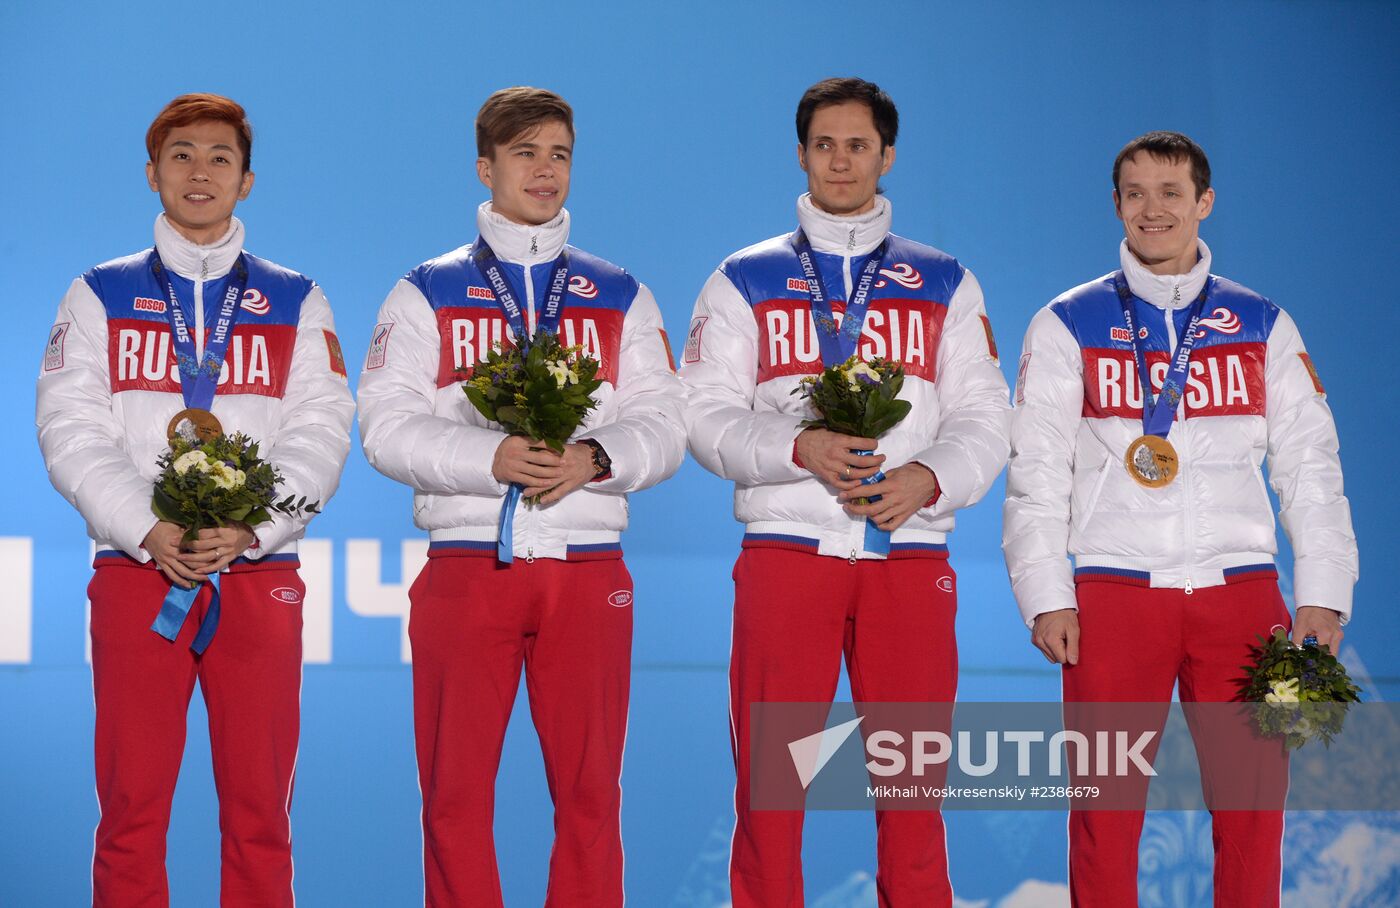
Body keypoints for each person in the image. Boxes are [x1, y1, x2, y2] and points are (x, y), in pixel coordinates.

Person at [1002, 130, 1357, 907]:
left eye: (1170, 192)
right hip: (1112, 596)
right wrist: (1047, 595)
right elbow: (1034, 475)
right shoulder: (1067, 323)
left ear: (1204, 202)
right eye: (1134, 193)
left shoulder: (1263, 323)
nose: (1151, 209)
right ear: (1117, 206)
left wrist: (1324, 592)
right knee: (1104, 818)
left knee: (1254, 812)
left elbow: (1311, 471)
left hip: (1242, 598)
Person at [679, 77, 1010, 908]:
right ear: (800, 154)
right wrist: (798, 447)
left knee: (914, 798)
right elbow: (702, 417)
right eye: (824, 144)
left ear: (887, 156)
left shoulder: (946, 282)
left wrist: (928, 478)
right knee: (771, 796)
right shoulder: (742, 277)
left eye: (857, 145)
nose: (840, 160)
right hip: (788, 556)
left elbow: (985, 418)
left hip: (909, 557)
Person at [356, 86, 685, 907]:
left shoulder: (620, 294)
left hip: (587, 566)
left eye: (560, 154)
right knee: (456, 797)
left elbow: (667, 426)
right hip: (471, 565)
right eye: (525, 152)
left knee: (589, 798)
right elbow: (384, 429)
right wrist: (490, 455)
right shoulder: (424, 291)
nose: (545, 170)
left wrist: (595, 457)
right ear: (485, 166)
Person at [35, 93, 354, 907]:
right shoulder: (96, 294)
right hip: (140, 573)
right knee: (132, 812)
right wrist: (148, 527)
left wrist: (255, 527)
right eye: (181, 155)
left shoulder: (297, 300)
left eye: (220, 157)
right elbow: (68, 429)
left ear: (248, 182)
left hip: (257, 575)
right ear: (152, 174)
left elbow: (320, 433)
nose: (200, 171)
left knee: (260, 816)